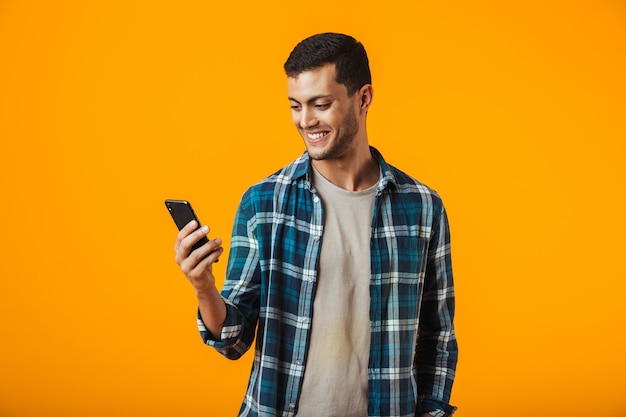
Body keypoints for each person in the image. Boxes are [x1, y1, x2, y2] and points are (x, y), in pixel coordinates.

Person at [174, 32, 458, 417]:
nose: (306, 121)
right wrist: (204, 287)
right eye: (295, 106)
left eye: (320, 104)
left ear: (363, 99)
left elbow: (438, 336)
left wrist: (432, 411)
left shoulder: (422, 207)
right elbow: (232, 341)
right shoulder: (264, 202)